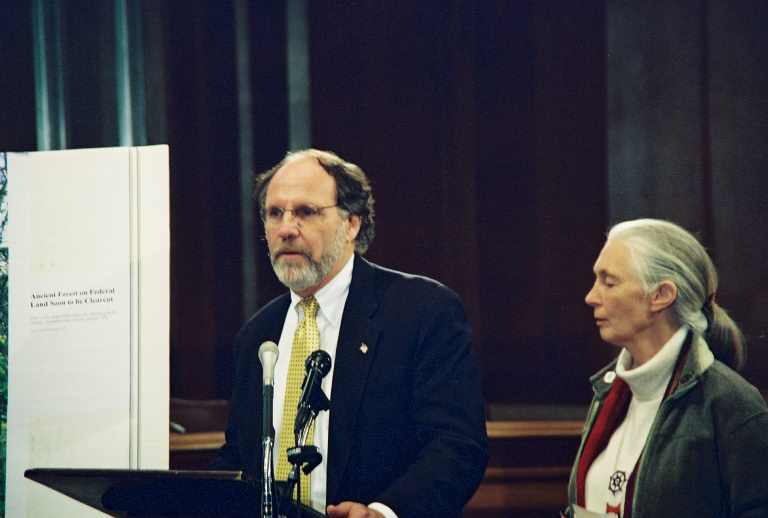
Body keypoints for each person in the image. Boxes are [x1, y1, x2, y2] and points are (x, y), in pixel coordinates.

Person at [211, 149, 489, 518]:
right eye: (274, 213)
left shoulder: (422, 312)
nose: (286, 229)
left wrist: (385, 512)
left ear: (351, 224)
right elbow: (240, 455)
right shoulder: (257, 336)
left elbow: (457, 445)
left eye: (305, 212)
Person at [565, 218, 768, 517]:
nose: (591, 297)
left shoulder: (730, 404)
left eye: (609, 283)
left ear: (660, 295)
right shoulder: (608, 393)